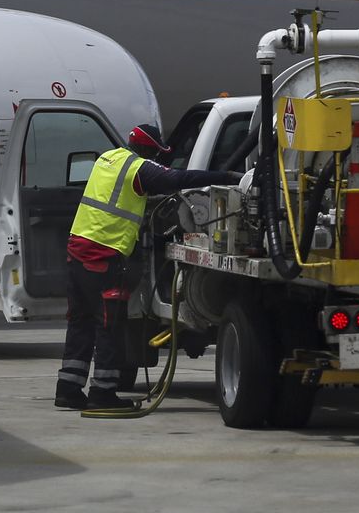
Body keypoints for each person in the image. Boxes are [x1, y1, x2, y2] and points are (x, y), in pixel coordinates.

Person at [56, 123, 241, 410]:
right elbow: (179, 179)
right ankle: (103, 393)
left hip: (78, 251)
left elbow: (118, 198)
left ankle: (68, 388)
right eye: (157, 153)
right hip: (105, 257)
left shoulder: (107, 159)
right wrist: (227, 177)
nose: (158, 159)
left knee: (80, 322)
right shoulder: (138, 169)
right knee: (109, 326)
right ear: (148, 149)